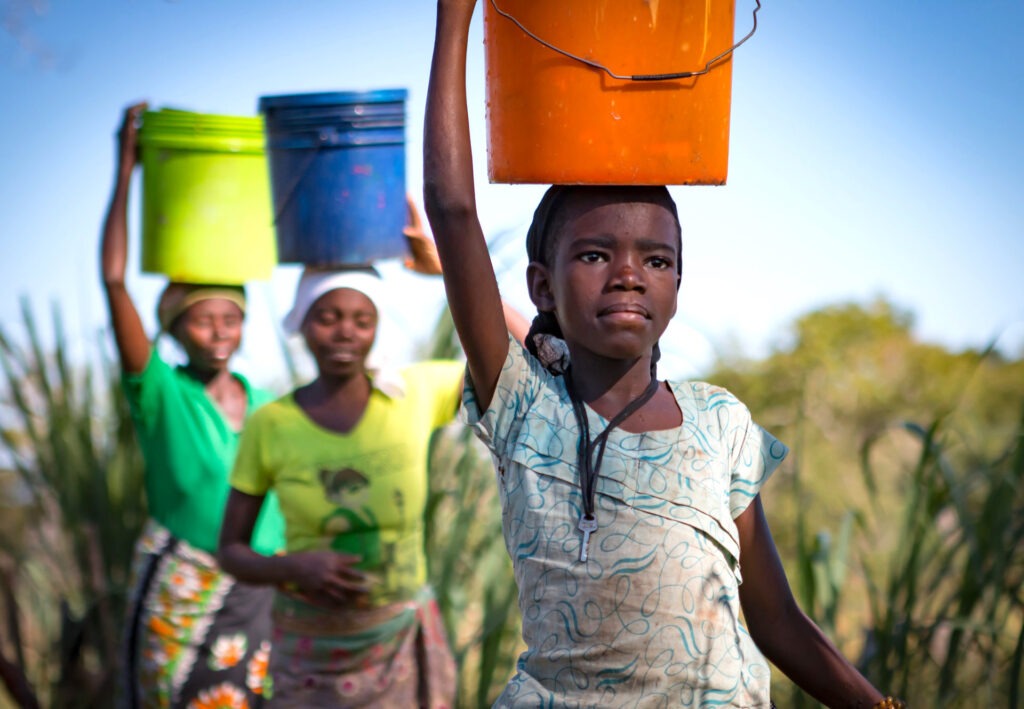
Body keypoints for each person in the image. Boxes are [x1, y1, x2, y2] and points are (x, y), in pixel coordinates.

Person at [421, 2, 907, 708]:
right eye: (594, 254)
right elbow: (453, 211)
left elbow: (775, 617)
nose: (628, 273)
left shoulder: (719, 423)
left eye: (657, 259)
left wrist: (880, 705)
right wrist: (455, 23)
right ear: (542, 285)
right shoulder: (524, 404)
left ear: (678, 281)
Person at [217, 208, 530, 706]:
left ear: (377, 326)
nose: (345, 332)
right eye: (328, 317)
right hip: (310, 649)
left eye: (362, 320)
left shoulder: (413, 393)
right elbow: (230, 550)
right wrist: (294, 567)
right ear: (302, 324)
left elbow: (525, 356)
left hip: (398, 643)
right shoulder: (271, 425)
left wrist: (448, 268)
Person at [101, 102, 285, 708]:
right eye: (202, 321)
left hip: (260, 593)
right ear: (176, 331)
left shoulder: (266, 404)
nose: (218, 333)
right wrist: (125, 170)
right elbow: (114, 281)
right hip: (184, 588)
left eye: (230, 319)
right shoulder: (161, 394)